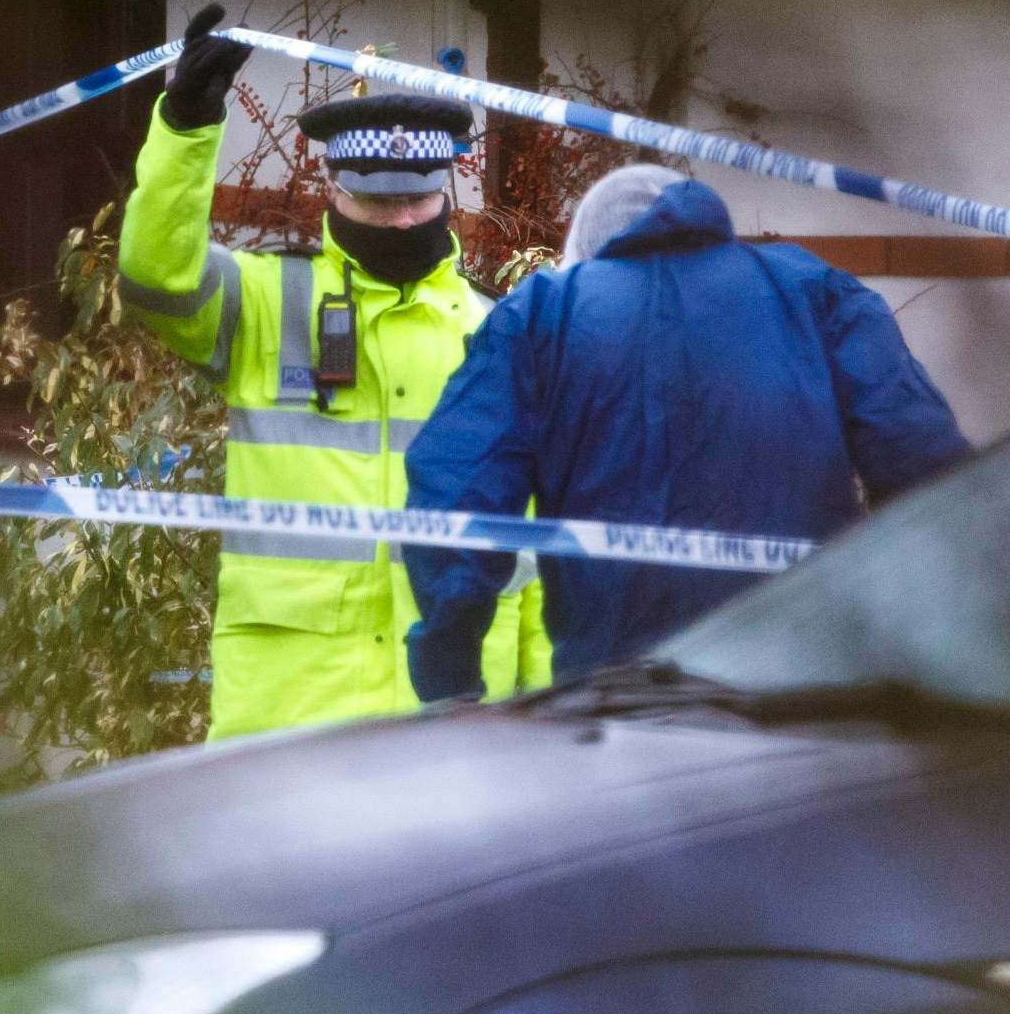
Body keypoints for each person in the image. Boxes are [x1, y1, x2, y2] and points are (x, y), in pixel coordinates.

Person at [119, 3, 551, 738]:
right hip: (293, 717)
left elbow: (541, 555)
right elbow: (155, 278)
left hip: (462, 718)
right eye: (378, 201)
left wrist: (550, 721)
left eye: (418, 198)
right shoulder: (262, 301)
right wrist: (186, 130)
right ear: (333, 188)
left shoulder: (501, 332)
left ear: (446, 189)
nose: (403, 221)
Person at [404, 163, 972, 702]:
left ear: (585, 247)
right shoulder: (814, 292)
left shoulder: (545, 312)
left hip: (619, 690)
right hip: (811, 679)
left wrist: (447, 667)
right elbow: (923, 462)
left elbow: (459, 489)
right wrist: (942, 643)